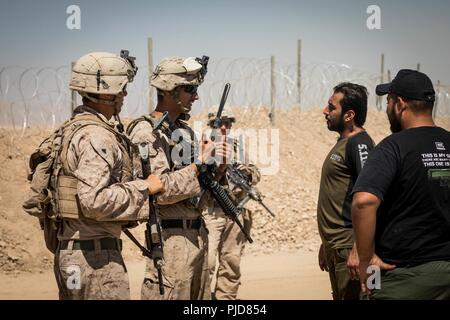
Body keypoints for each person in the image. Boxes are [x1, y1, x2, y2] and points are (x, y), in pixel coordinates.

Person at [28, 51, 163, 300]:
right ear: (104, 92)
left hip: (75, 254)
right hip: (95, 259)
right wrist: (145, 187)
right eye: (121, 89)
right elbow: (94, 201)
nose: (124, 95)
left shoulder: (70, 130)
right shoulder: (96, 136)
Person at [351, 69, 450, 299]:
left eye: (388, 101)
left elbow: (364, 202)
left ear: (400, 104)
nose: (387, 108)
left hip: (402, 276)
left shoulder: (393, 147)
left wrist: (366, 261)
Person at [127, 56, 214, 300]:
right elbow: (159, 190)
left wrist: (216, 168)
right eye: (190, 89)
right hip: (171, 241)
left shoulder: (183, 132)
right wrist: (199, 166)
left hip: (197, 235)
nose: (195, 96)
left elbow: (199, 190)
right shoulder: (146, 132)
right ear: (169, 90)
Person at [317, 82, 375, 300]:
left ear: (349, 115)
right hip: (338, 249)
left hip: (351, 250)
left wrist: (360, 249)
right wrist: (326, 244)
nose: (325, 111)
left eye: (332, 107)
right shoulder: (344, 143)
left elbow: (372, 199)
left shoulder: (360, 145)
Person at [202, 110, 261, 300]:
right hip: (211, 212)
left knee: (231, 262)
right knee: (207, 262)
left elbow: (256, 173)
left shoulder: (238, 148)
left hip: (235, 212)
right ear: (212, 125)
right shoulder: (204, 146)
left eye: (228, 123)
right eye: (220, 123)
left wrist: (248, 173)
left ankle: (226, 299)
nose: (224, 127)